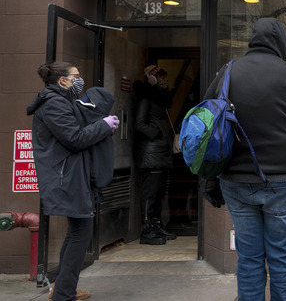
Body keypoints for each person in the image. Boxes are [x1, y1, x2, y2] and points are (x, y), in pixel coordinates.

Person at [203, 18, 286, 301]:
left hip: (236, 182)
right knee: (283, 260)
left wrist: (209, 179)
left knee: (249, 259)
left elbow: (207, 119)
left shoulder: (228, 72)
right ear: (283, 44)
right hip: (284, 183)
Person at [27, 62, 119, 301]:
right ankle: (63, 293)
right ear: (62, 81)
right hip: (65, 178)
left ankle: (62, 287)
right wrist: (103, 125)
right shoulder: (55, 104)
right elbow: (74, 139)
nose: (80, 80)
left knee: (77, 231)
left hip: (69, 176)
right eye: (76, 76)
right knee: (81, 233)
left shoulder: (60, 102)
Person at [134, 65, 177, 245]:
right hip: (152, 153)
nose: (164, 81)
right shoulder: (146, 98)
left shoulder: (160, 100)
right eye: (160, 78)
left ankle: (156, 224)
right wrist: (158, 133)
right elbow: (140, 124)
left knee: (158, 194)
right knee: (151, 194)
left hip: (161, 152)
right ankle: (147, 229)